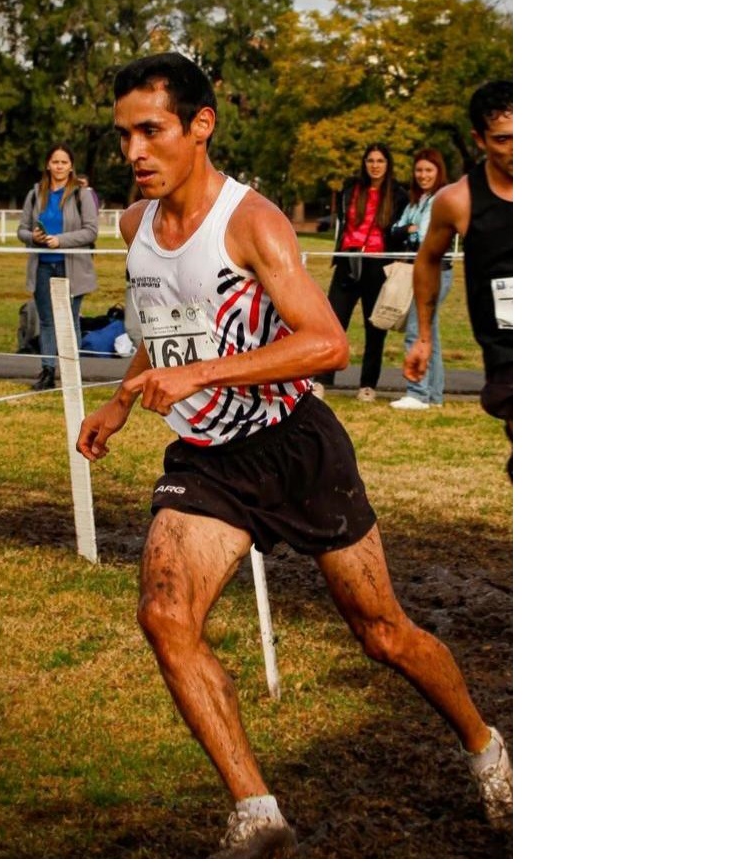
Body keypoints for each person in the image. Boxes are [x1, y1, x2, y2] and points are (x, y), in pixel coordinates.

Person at [76, 52, 512, 857]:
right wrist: (122, 396)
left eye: (151, 130)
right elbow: (165, 325)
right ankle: (257, 813)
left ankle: (486, 749)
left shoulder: (253, 222)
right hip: (209, 459)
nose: (134, 151)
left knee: (382, 634)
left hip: (297, 448)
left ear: (199, 126)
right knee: (166, 616)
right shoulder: (135, 226)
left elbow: (327, 344)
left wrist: (202, 373)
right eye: (124, 134)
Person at [405, 80, 512, 477]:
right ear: (480, 140)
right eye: (503, 139)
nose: (516, 149)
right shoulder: (459, 200)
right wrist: (425, 337)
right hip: (507, 347)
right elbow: (428, 259)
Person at [312, 143, 408, 401]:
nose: (375, 165)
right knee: (333, 322)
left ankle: (368, 385)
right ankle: (321, 381)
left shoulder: (398, 195)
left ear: (387, 165)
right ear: (364, 163)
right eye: (371, 160)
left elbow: (398, 231)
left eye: (380, 161)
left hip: (378, 263)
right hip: (348, 260)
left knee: (375, 327)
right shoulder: (352, 189)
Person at [17, 144, 100, 391]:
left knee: (70, 321)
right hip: (42, 267)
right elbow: (21, 229)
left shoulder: (81, 194)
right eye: (55, 162)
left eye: (64, 162)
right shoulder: (35, 194)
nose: (59, 166)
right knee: (46, 321)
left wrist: (60, 240)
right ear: (47, 165)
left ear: (71, 166)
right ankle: (47, 371)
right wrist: (34, 237)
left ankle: (71, 372)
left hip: (72, 267)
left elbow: (91, 231)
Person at [387, 148, 452, 410]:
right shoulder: (416, 201)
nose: (423, 175)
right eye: (419, 170)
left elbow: (425, 238)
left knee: (417, 330)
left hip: (436, 272)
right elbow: (394, 230)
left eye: (428, 170)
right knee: (430, 334)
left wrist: (408, 232)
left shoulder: (440, 200)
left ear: (438, 172)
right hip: (417, 269)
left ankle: (418, 393)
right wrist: (407, 231)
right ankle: (434, 395)